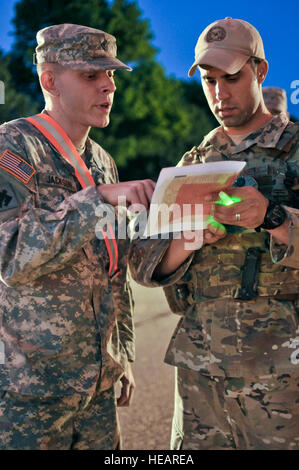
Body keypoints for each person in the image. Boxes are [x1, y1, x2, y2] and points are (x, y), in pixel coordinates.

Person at [129, 17, 299, 450]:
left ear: (260, 72)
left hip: (282, 374)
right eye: (209, 80)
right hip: (201, 373)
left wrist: (275, 217)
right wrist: (191, 239)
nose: (220, 93)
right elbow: (144, 265)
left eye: (231, 77)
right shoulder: (192, 165)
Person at [0, 23, 155, 450]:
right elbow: (9, 256)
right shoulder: (12, 147)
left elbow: (113, 269)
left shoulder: (103, 162)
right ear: (50, 81)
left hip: (97, 386)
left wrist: (121, 354)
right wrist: (98, 199)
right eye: (92, 75)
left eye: (112, 76)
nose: (109, 87)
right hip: (28, 392)